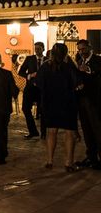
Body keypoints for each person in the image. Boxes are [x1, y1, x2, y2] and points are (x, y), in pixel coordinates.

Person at [37, 43, 80, 172]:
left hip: (50, 103)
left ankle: (50, 161)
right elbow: (78, 83)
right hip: (68, 103)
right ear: (66, 53)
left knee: (51, 132)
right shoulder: (69, 66)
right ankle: (68, 162)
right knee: (69, 133)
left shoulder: (45, 66)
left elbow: (39, 83)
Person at [74, 39, 101, 170]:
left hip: (94, 101)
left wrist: (88, 69)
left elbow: (96, 71)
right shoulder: (79, 61)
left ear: (89, 47)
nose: (81, 52)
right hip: (82, 101)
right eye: (79, 50)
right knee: (86, 130)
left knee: (97, 129)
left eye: (83, 49)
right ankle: (92, 157)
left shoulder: (97, 60)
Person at [18, 42, 45, 139]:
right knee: (25, 108)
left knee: (43, 111)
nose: (37, 50)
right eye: (35, 48)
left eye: (39, 48)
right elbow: (20, 72)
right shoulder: (29, 59)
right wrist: (29, 75)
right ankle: (33, 131)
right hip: (30, 88)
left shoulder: (47, 60)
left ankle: (44, 133)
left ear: (43, 49)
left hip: (42, 89)